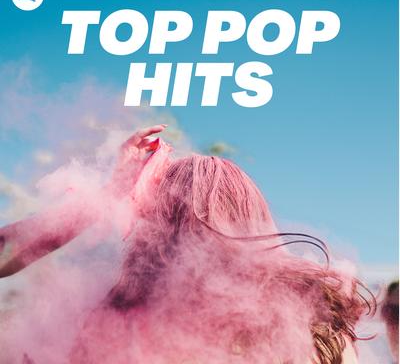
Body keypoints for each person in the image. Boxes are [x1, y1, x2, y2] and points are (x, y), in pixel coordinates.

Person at [0, 125, 375, 364]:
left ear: (157, 226)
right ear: (254, 216)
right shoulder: (319, 325)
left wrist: (107, 195)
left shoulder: (117, 324)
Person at [381, 281, 399, 363]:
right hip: (392, 316)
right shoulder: (389, 305)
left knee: (394, 340)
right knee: (394, 340)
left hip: (393, 316)